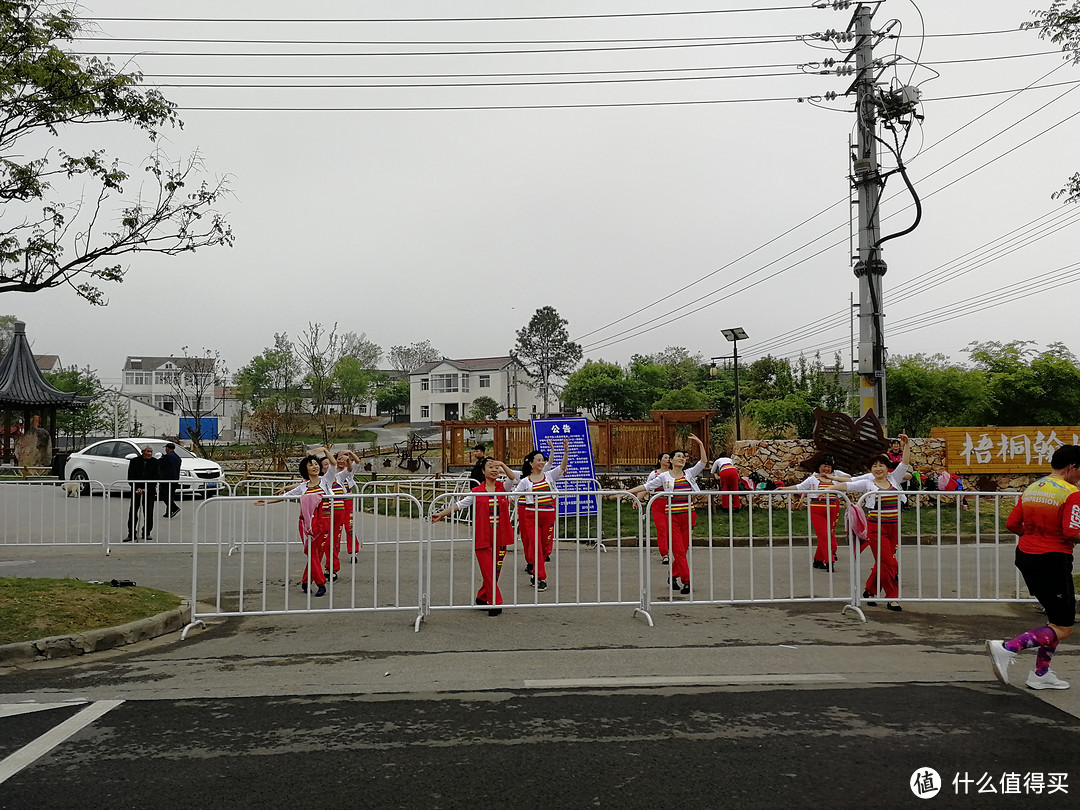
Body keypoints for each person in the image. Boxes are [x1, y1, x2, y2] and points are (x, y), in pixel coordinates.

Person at [986, 444, 1080, 691]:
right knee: (1064, 627)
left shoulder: (1033, 488)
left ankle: (1041, 673)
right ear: (1072, 467)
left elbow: (1012, 523)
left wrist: (1034, 534)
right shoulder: (1071, 493)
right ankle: (1007, 648)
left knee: (1054, 619)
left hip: (1027, 555)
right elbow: (1073, 531)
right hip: (1053, 559)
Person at [830, 434, 911, 611]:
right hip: (876, 527)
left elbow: (904, 463)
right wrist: (827, 489)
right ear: (871, 469)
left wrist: (907, 445)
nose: (878, 468)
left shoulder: (894, 479)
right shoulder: (868, 483)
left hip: (894, 526)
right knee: (888, 562)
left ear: (888, 468)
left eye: (881, 465)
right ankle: (892, 598)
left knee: (887, 561)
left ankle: (869, 590)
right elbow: (847, 486)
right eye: (874, 465)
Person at [431, 457, 519, 615]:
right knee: (488, 571)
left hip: (501, 536)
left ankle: (482, 597)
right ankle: (495, 603)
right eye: (490, 467)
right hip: (484, 537)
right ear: (483, 472)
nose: (494, 470)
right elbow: (459, 505)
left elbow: (514, 478)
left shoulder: (503, 487)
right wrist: (441, 514)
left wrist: (503, 465)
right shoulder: (477, 492)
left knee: (495, 571)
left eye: (496, 467)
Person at [256, 448, 339, 597]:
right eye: (311, 465)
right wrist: (266, 502)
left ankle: (307, 581)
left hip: (324, 523)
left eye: (316, 464)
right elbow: (285, 497)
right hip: (306, 525)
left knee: (316, 554)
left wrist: (325, 450)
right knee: (311, 553)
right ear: (305, 469)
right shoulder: (302, 487)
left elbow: (333, 464)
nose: (315, 466)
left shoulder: (326, 481)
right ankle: (321, 584)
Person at [643, 434, 708, 595]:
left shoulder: (689, 474)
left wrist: (700, 443)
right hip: (672, 517)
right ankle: (686, 581)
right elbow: (645, 487)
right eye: (677, 456)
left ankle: (672, 575)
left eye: (683, 457)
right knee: (678, 551)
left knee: (683, 549)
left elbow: (703, 462)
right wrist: (627, 493)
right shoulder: (663, 476)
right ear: (670, 460)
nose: (681, 458)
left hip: (689, 516)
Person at [508, 437, 570, 591]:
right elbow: (513, 496)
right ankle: (541, 577)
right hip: (531, 516)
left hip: (548, 515)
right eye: (539, 460)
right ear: (531, 463)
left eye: (543, 460)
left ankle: (535, 572)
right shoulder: (525, 481)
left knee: (543, 548)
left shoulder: (549, 476)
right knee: (535, 546)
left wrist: (566, 450)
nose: (542, 462)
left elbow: (562, 467)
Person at [778, 456, 849, 572]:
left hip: (832, 510)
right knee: (824, 535)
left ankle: (818, 560)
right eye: (824, 466)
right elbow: (799, 487)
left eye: (829, 467)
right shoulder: (812, 479)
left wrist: (833, 476)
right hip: (817, 510)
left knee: (827, 535)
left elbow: (850, 480)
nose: (826, 469)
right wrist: (784, 489)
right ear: (819, 467)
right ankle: (829, 560)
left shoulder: (836, 479)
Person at [628, 453, 675, 564]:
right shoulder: (654, 474)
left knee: (672, 528)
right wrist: (637, 499)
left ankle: (676, 551)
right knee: (662, 529)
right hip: (657, 502)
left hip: (672, 503)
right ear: (659, 460)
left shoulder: (674, 473)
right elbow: (647, 487)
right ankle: (665, 554)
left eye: (669, 458)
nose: (668, 460)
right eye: (665, 458)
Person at [326, 448, 363, 575]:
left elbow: (356, 463)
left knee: (349, 528)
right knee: (336, 531)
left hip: (347, 502)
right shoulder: (332, 474)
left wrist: (349, 453)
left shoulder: (347, 472)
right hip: (336, 504)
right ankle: (333, 555)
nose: (341, 461)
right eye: (339, 459)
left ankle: (353, 551)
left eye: (344, 459)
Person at [124, 445, 159, 542]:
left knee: (149, 513)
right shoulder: (134, 461)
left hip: (149, 491)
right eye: (148, 451)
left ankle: (146, 532)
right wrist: (137, 487)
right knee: (133, 513)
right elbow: (131, 476)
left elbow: (156, 477)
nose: (149, 454)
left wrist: (147, 488)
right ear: (143, 451)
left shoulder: (155, 462)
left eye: (151, 452)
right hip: (136, 491)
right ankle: (131, 534)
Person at [159, 442, 182, 518]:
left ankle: (174, 508)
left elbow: (161, 465)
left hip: (166, 479)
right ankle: (168, 512)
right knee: (170, 496)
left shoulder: (167, 457)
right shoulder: (178, 457)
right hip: (175, 479)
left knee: (164, 495)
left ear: (167, 449)